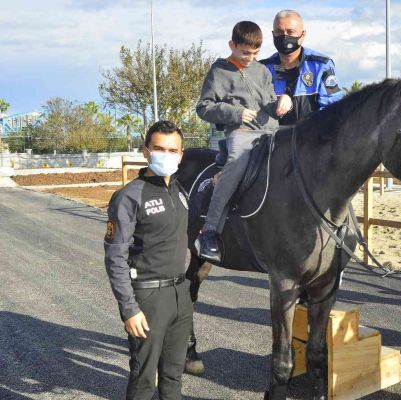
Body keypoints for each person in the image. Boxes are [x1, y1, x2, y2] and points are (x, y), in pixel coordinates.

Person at [105, 120, 193, 400]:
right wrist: (129, 308)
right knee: (144, 378)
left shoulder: (180, 191)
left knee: (173, 375)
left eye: (172, 150)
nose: (166, 155)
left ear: (181, 154)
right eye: (159, 149)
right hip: (148, 297)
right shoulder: (129, 196)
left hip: (181, 294)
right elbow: (115, 256)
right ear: (146, 151)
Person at [196, 21, 292, 263]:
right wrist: (235, 113)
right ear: (232, 45)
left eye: (255, 53)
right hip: (241, 134)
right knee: (235, 168)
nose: (250, 58)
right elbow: (203, 108)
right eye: (245, 53)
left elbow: (269, 104)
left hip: (271, 133)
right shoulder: (218, 72)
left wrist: (283, 101)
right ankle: (209, 232)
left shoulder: (263, 71)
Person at [261, 9, 344, 126]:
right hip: (275, 139)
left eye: (290, 32)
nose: (284, 36)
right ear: (273, 34)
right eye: (279, 32)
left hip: (311, 138)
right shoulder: (263, 68)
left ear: (302, 35)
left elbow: (332, 108)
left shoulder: (321, 65)